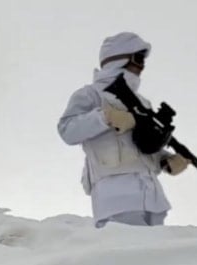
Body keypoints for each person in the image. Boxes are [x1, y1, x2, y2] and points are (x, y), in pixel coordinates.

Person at [57, 31, 190, 228]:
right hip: (115, 195)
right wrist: (105, 117)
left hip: (151, 196)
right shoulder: (90, 94)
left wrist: (165, 159)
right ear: (119, 60)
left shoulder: (142, 102)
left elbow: (141, 144)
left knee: (157, 247)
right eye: (138, 59)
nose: (142, 66)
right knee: (128, 246)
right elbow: (67, 131)